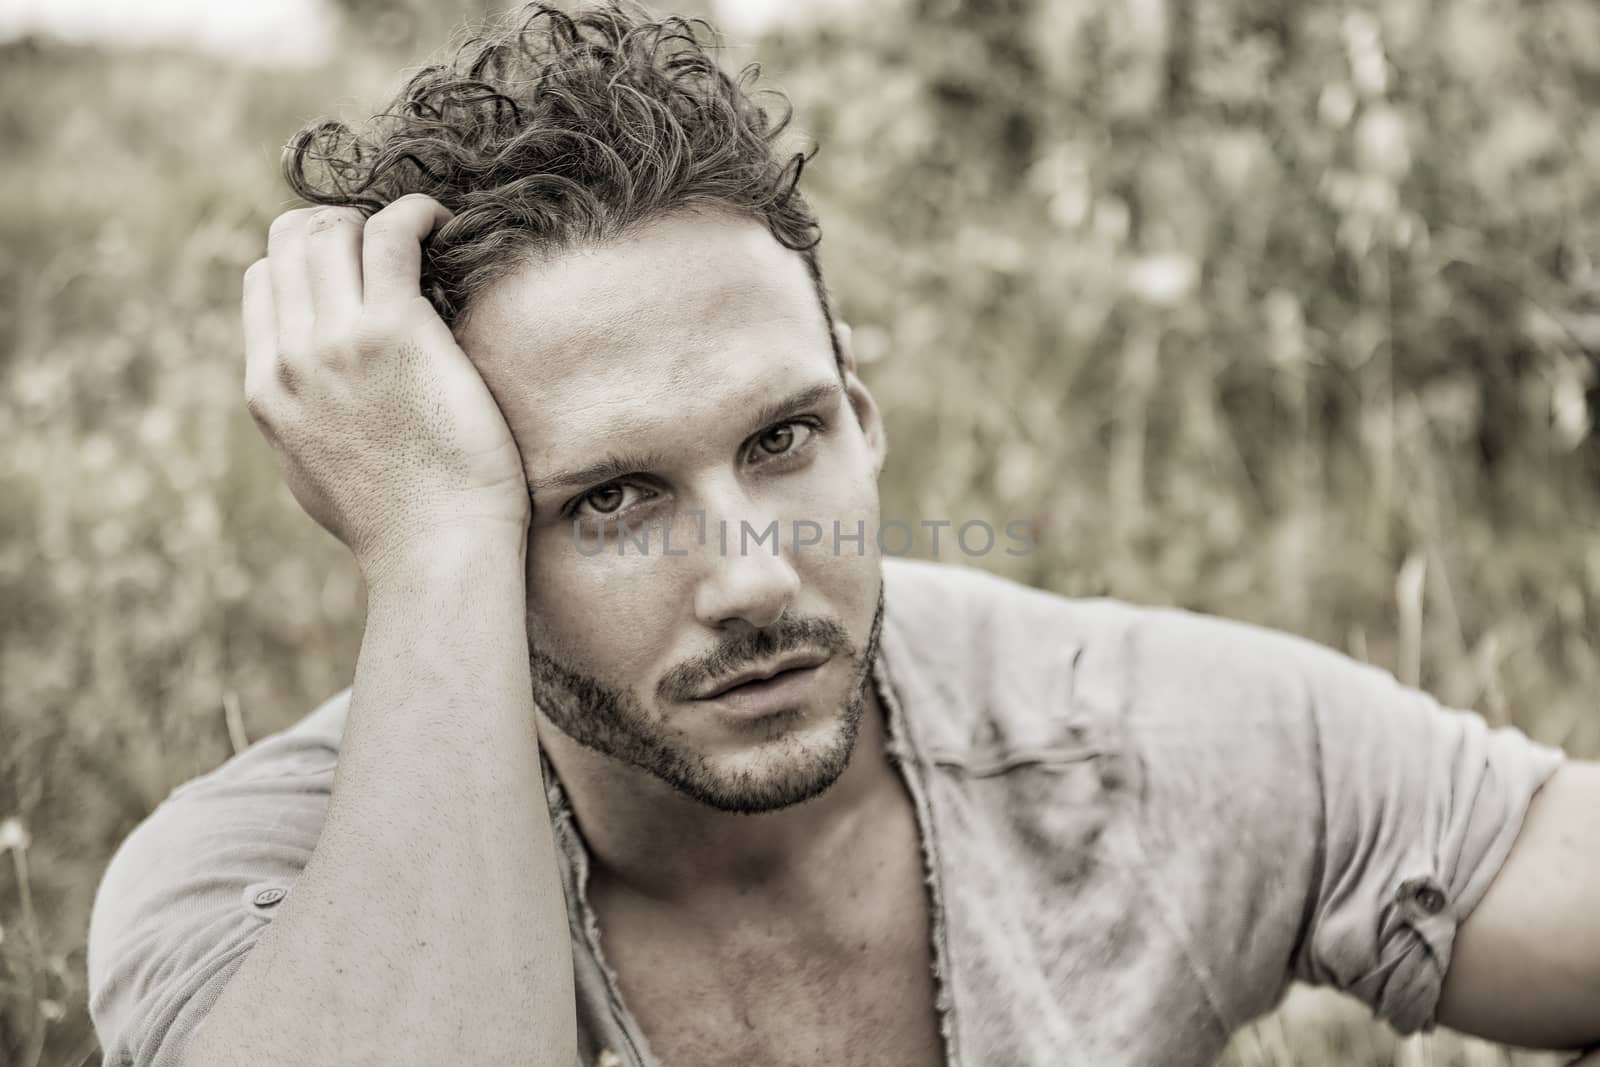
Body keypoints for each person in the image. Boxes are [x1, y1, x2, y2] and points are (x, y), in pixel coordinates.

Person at [85, 3, 1600, 1066]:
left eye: (782, 438)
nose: (751, 577)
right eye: (610, 499)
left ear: (864, 420)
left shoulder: (1110, 744)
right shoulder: (243, 887)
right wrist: (429, 545)